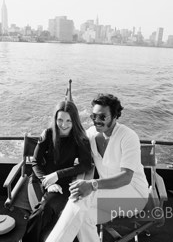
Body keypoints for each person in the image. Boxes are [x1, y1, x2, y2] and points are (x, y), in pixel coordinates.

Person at [45, 93, 150, 242]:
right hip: (109, 195)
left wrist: (92, 184)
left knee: (80, 197)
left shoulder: (128, 136)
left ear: (115, 116)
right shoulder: (91, 135)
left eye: (102, 117)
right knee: (82, 219)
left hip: (134, 196)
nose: (97, 121)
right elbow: (71, 145)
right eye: (94, 117)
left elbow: (126, 177)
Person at [22, 100, 92, 242]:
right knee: (42, 211)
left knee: (45, 210)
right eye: (60, 120)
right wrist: (46, 181)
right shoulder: (48, 133)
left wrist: (57, 175)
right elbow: (35, 162)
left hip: (62, 182)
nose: (63, 125)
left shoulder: (79, 138)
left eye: (68, 121)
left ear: (74, 121)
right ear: (55, 119)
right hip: (40, 178)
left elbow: (86, 164)